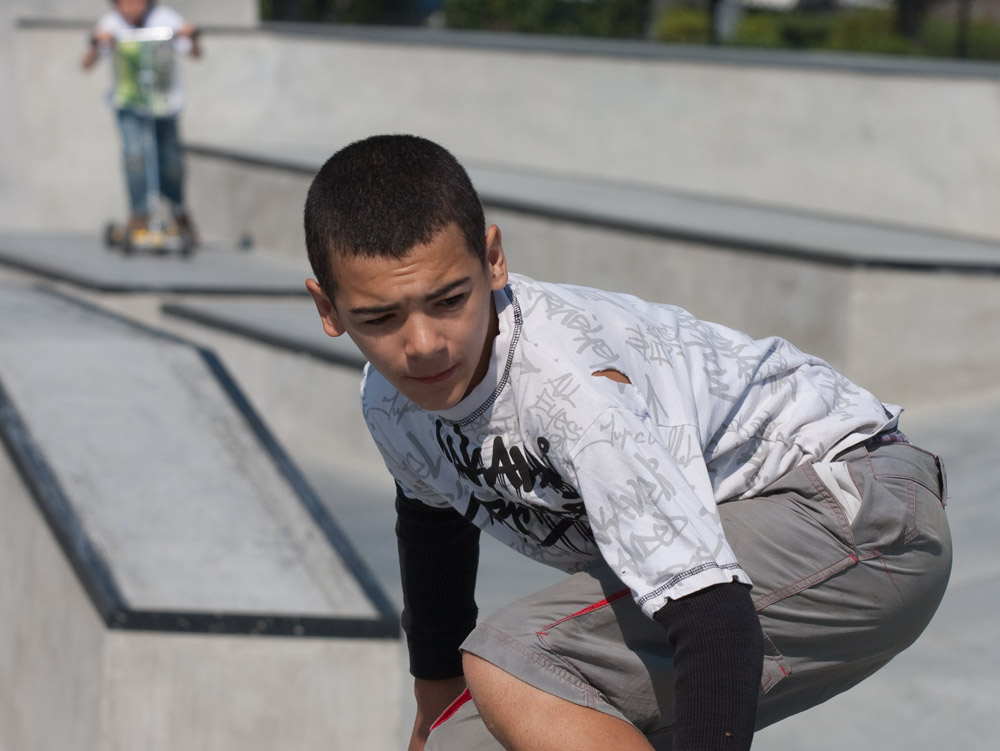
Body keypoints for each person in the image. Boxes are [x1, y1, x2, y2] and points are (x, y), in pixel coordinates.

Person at [303, 134, 952, 751]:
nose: (423, 345)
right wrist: (433, 712)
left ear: (493, 259)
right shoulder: (388, 401)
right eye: (380, 318)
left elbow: (713, 619)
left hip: (855, 513)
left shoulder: (570, 388)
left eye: (449, 300)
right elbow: (433, 528)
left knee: (518, 658)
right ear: (329, 310)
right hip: (771, 556)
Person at [81, 0, 200, 243]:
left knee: (171, 162)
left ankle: (177, 210)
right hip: (130, 103)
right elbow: (86, 64)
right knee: (134, 156)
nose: (132, 7)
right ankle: (139, 215)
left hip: (163, 101)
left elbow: (195, 52)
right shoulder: (111, 24)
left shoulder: (165, 18)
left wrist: (191, 35)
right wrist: (97, 42)